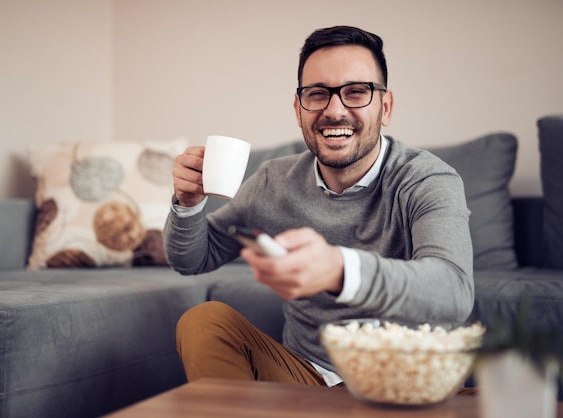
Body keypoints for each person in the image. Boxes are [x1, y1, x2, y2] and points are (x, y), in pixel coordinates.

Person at [163, 25, 474, 387]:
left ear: (385, 107)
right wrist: (187, 204)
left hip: (400, 382)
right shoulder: (273, 181)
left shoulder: (426, 179)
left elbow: (453, 291)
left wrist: (340, 269)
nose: (334, 110)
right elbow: (193, 259)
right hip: (305, 376)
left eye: (356, 92)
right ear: (299, 109)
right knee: (205, 320)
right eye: (317, 94)